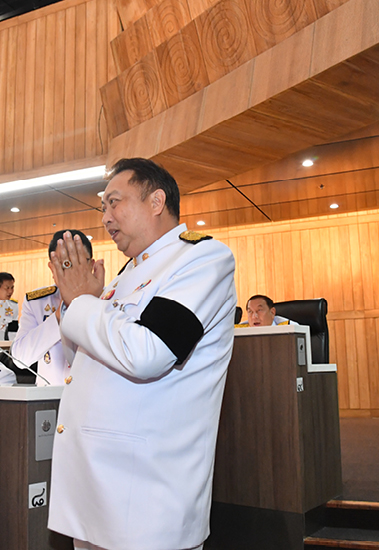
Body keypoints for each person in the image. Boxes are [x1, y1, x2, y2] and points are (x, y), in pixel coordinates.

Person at [47, 158, 237, 550]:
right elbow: (82, 361)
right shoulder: (123, 277)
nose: (105, 218)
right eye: (102, 208)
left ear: (156, 201)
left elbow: (150, 352)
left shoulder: (201, 259)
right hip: (95, 489)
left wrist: (84, 301)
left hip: (146, 495)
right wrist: (81, 303)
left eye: (114, 202)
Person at [12, 229, 93, 386]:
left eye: (79, 262)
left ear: (92, 265)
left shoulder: (108, 300)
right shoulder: (36, 302)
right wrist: (61, 313)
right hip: (48, 401)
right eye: (64, 264)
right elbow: (20, 358)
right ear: (52, 268)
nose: (71, 270)